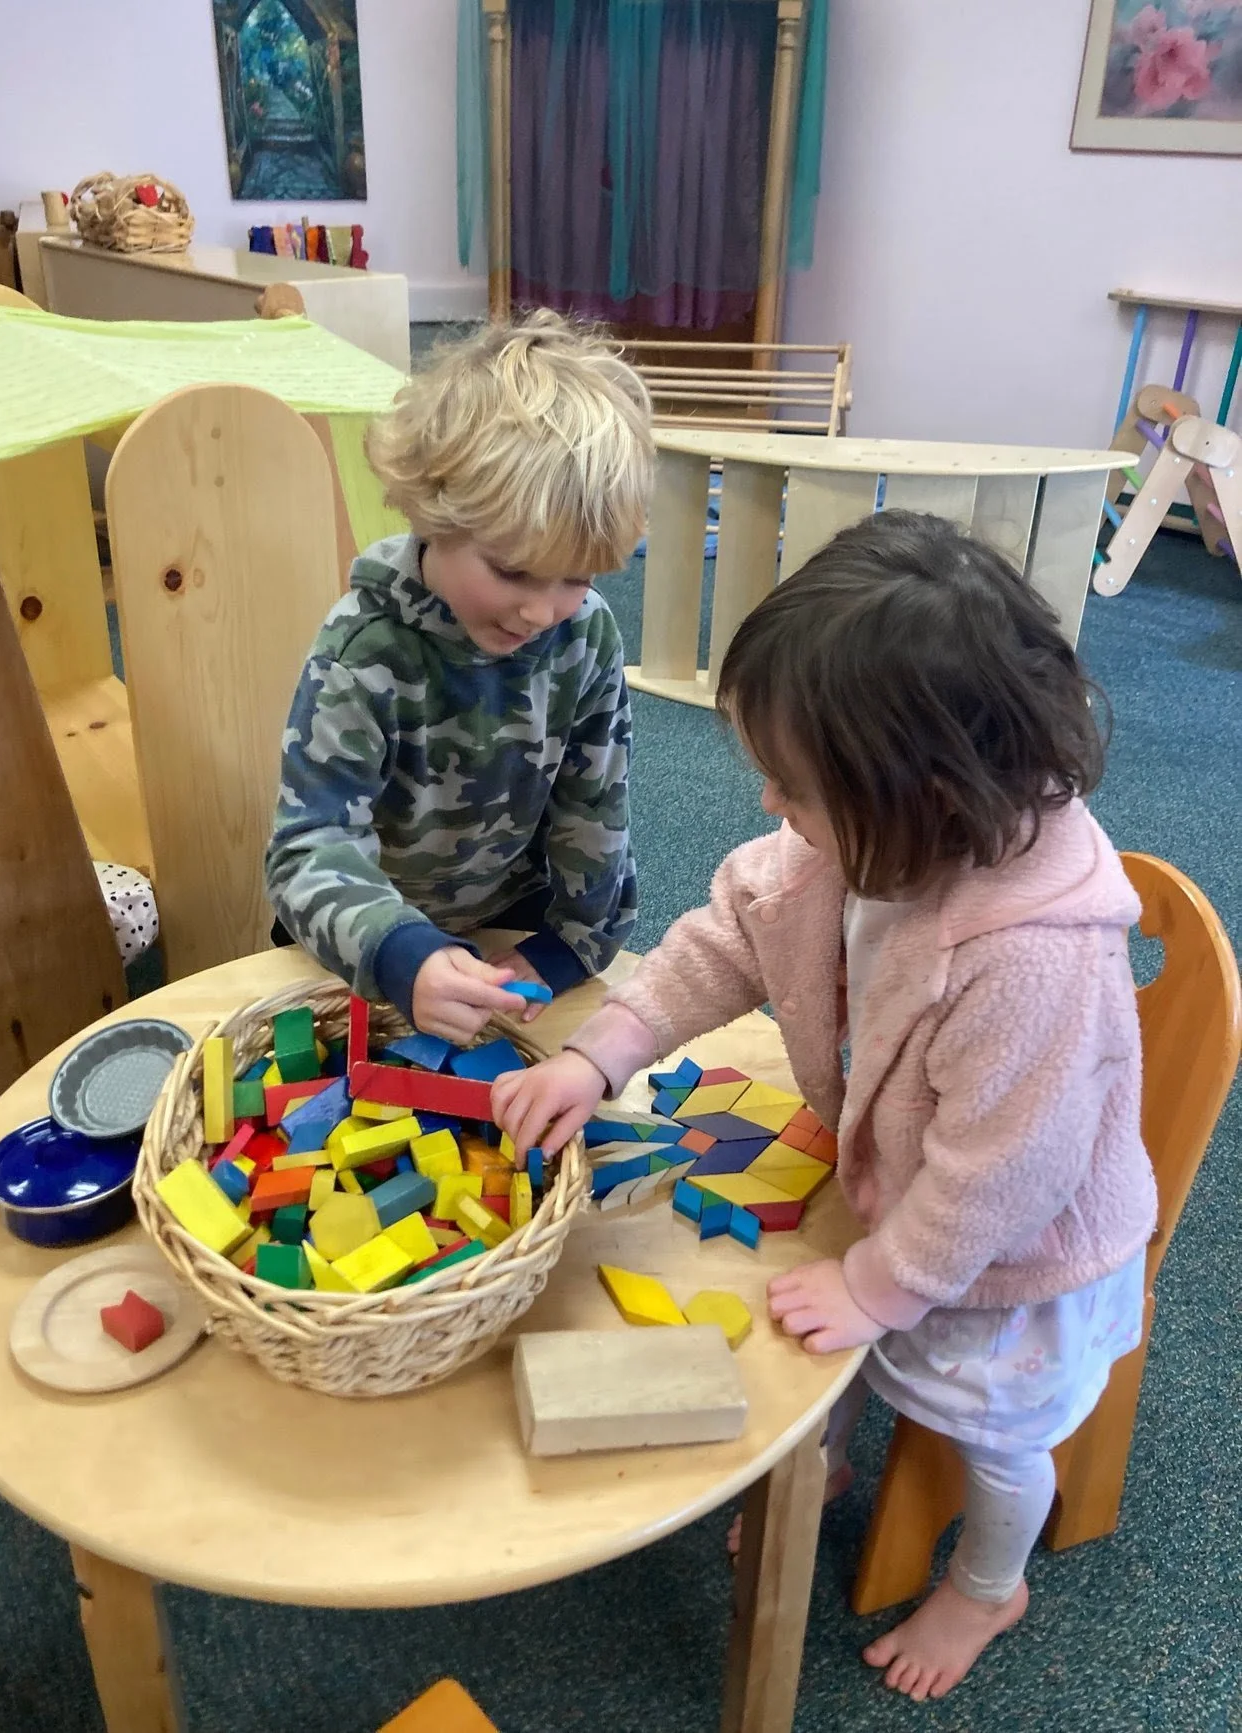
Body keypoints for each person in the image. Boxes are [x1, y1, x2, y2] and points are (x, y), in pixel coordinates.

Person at [492, 511, 1156, 1700]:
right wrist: (597, 1058)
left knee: (995, 1432)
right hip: (896, 1186)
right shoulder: (863, 838)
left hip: (1018, 1256)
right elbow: (719, 946)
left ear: (923, 791)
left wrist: (876, 1284)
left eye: (792, 786)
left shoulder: (1027, 963)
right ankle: (829, 1460)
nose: (762, 800)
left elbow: (999, 1181)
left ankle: (990, 1585)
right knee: (831, 1331)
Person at [265, 311, 654, 1045]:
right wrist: (402, 954)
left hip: (510, 932)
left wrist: (565, 946)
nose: (542, 610)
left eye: (575, 575)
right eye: (511, 570)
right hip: (366, 944)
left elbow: (595, 818)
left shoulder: (586, 632)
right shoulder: (364, 648)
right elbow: (309, 846)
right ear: (431, 513)